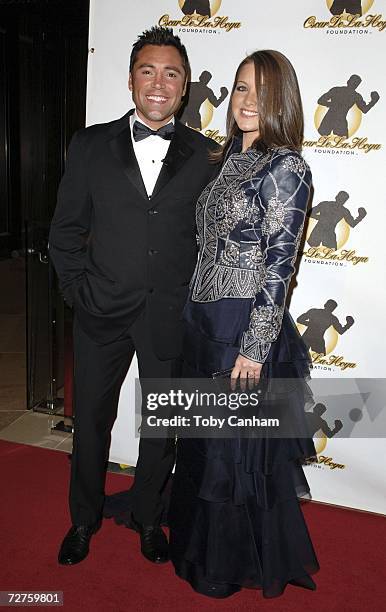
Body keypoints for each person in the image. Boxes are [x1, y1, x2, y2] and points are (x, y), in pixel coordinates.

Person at [49, 26, 218, 566]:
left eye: (172, 73)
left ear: (185, 87)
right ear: (130, 79)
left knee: (161, 426)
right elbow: (66, 229)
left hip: (169, 313)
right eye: (148, 70)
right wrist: (78, 290)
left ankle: (149, 516)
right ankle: (83, 519)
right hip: (101, 309)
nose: (159, 83)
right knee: (92, 422)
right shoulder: (91, 144)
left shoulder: (207, 155)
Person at [167, 50, 320, 599]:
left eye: (259, 90)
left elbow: (280, 270)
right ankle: (193, 543)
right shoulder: (226, 159)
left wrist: (254, 349)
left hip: (242, 327)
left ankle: (225, 564)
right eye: (238, 89)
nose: (246, 101)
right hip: (201, 320)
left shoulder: (287, 168)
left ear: (282, 100)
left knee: (233, 454)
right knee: (202, 443)